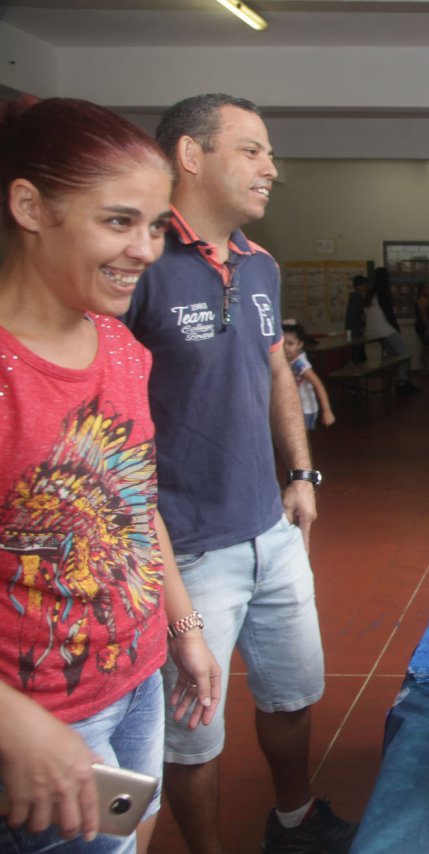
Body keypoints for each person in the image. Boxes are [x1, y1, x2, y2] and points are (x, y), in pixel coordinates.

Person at [121, 93, 357, 854]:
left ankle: (292, 819)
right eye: (252, 151)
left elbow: (276, 369)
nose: (272, 169)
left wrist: (301, 474)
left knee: (292, 694)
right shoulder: (141, 267)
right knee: (195, 733)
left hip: (272, 529)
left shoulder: (260, 266)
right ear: (190, 156)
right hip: (185, 549)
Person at [0, 95, 219, 852]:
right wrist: (13, 723)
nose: (148, 250)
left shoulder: (122, 349)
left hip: (135, 680)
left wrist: (181, 626)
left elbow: (132, 506)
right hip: (42, 718)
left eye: (156, 226)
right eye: (119, 221)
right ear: (30, 206)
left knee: (131, 837)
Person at [365, 267, 414, 394]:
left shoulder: (370, 293)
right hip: (384, 329)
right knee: (404, 354)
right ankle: (401, 382)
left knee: (392, 357)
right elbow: (389, 313)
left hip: (373, 331)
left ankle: (398, 381)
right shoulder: (383, 292)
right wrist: (396, 328)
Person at [282, 321, 335, 430]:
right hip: (294, 408)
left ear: (300, 344)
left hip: (305, 409)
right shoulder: (287, 360)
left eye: (290, 343)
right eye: (282, 343)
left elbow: (318, 385)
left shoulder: (300, 365)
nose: (285, 347)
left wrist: (327, 411)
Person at [343, 275, 368, 365]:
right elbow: (354, 317)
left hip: (357, 331)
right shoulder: (356, 298)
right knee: (358, 356)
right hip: (355, 332)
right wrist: (361, 328)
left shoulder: (359, 298)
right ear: (358, 286)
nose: (366, 287)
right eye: (364, 285)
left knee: (360, 355)